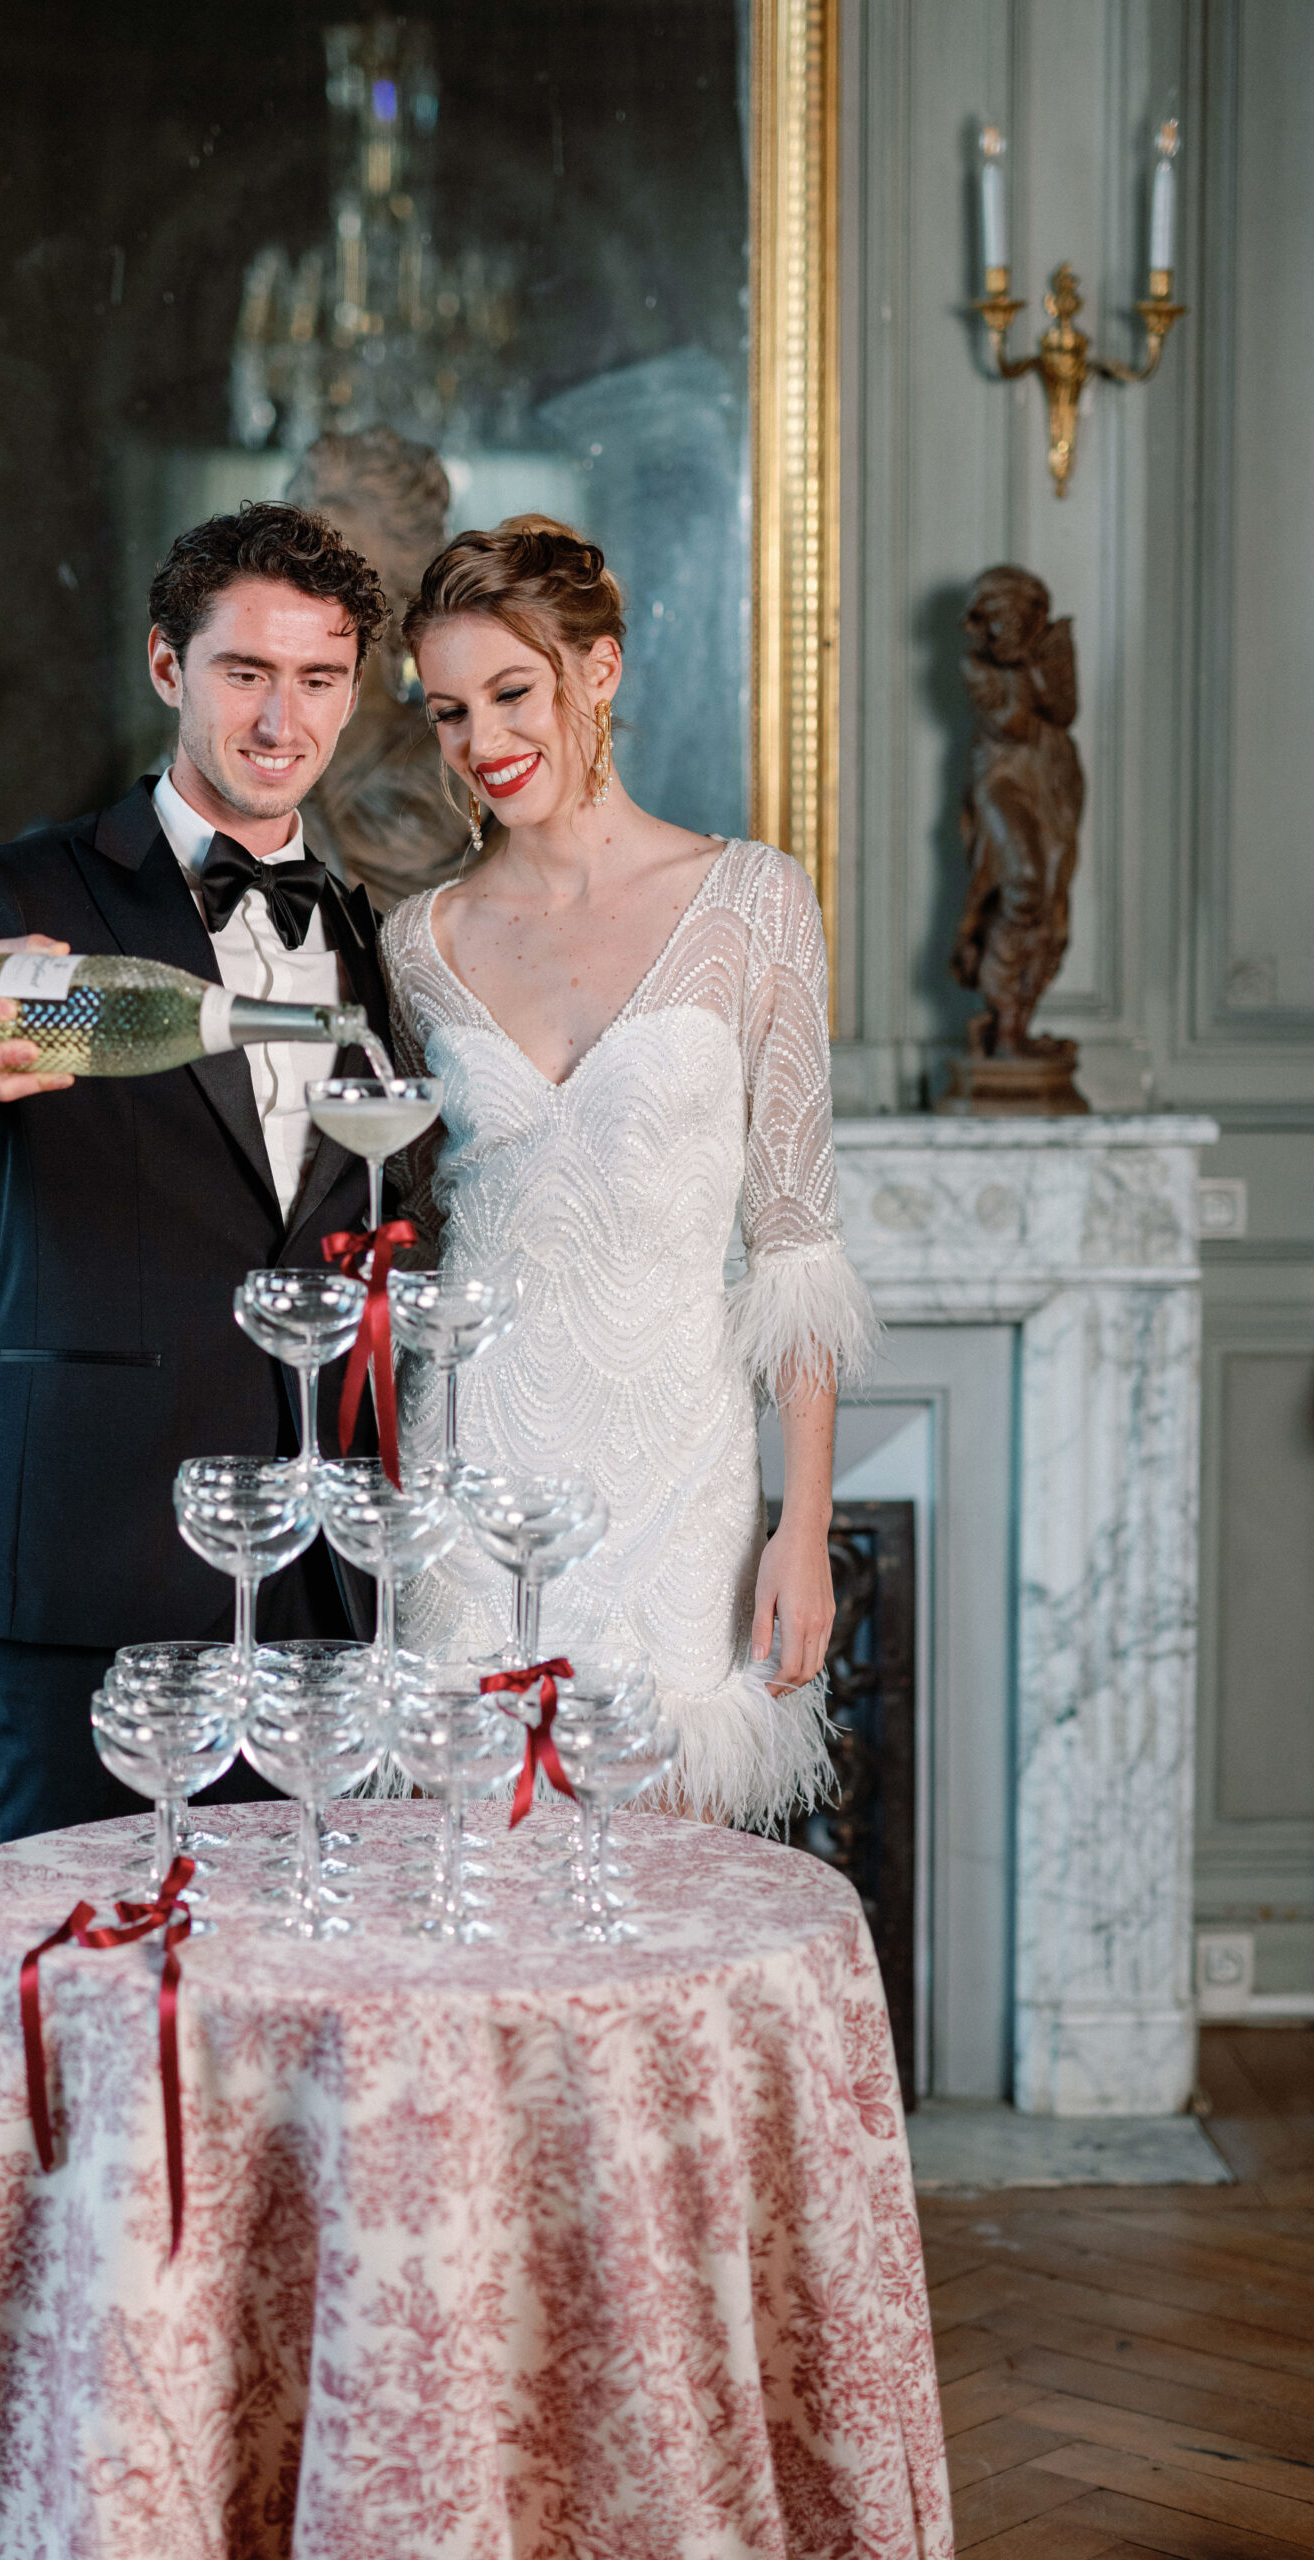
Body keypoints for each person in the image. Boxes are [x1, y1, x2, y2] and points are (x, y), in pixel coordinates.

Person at [0, 503, 392, 1842]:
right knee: (78, 1978)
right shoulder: (20, 893)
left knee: (299, 2002)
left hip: (323, 1580)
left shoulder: (369, 932)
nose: (279, 720)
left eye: (318, 679)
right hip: (93, 1549)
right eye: (245, 672)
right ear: (168, 668)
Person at [382, 516, 876, 1828]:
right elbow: (410, 1227)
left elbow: (793, 1238)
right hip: (469, 1469)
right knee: (467, 1904)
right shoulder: (418, 940)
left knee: (659, 1905)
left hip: (678, 1469)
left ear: (598, 671)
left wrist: (804, 1523)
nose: (481, 742)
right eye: (446, 713)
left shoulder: (753, 901)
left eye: (511, 692)